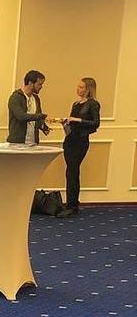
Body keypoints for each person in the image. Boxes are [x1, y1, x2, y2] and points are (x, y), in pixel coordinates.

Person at [56, 76, 100, 217]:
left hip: (81, 141)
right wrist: (65, 123)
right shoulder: (75, 104)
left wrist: (78, 119)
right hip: (70, 140)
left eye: (81, 87)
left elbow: (95, 123)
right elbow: (71, 125)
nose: (78, 89)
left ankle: (73, 205)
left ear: (88, 89)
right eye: (78, 86)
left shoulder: (93, 104)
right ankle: (71, 203)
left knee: (73, 171)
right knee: (70, 172)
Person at [7, 70, 50, 146]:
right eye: (39, 84)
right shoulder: (16, 97)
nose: (41, 87)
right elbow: (21, 116)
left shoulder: (36, 98)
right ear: (30, 83)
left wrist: (44, 127)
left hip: (33, 142)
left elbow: (38, 119)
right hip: (17, 143)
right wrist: (40, 116)